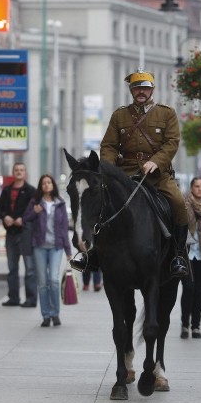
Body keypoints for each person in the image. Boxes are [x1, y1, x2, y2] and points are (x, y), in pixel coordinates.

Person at [70, 70, 189, 279]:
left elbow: (172, 143)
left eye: (144, 87)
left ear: (152, 89)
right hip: (124, 173)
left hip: (156, 174)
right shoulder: (120, 115)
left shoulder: (166, 113)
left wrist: (156, 161)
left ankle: (178, 255)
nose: (140, 91)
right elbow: (108, 145)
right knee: (102, 204)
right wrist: (108, 168)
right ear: (131, 90)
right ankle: (93, 253)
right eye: (136, 88)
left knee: (178, 203)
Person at [23, 174, 73, 327]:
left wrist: (68, 250)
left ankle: (55, 314)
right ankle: (45, 315)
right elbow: (25, 218)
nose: (46, 185)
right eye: (43, 183)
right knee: (43, 282)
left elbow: (64, 228)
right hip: (39, 246)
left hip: (56, 247)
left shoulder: (60, 203)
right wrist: (34, 212)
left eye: (49, 182)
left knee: (54, 279)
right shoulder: (35, 202)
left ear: (53, 185)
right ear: (41, 186)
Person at [0, 162, 37, 307]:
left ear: (25, 173)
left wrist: (23, 219)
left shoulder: (31, 191)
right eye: (16, 170)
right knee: (12, 268)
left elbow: (36, 211)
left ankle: (31, 299)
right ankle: (13, 298)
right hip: (11, 233)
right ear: (13, 172)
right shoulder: (6, 191)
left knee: (30, 268)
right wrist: (4, 216)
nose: (19, 172)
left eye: (21, 170)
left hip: (26, 234)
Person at [180, 177, 201, 339]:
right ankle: (185, 324)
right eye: (197, 186)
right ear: (191, 188)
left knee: (199, 291)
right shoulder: (184, 205)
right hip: (187, 252)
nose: (200, 189)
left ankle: (196, 326)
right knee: (188, 289)